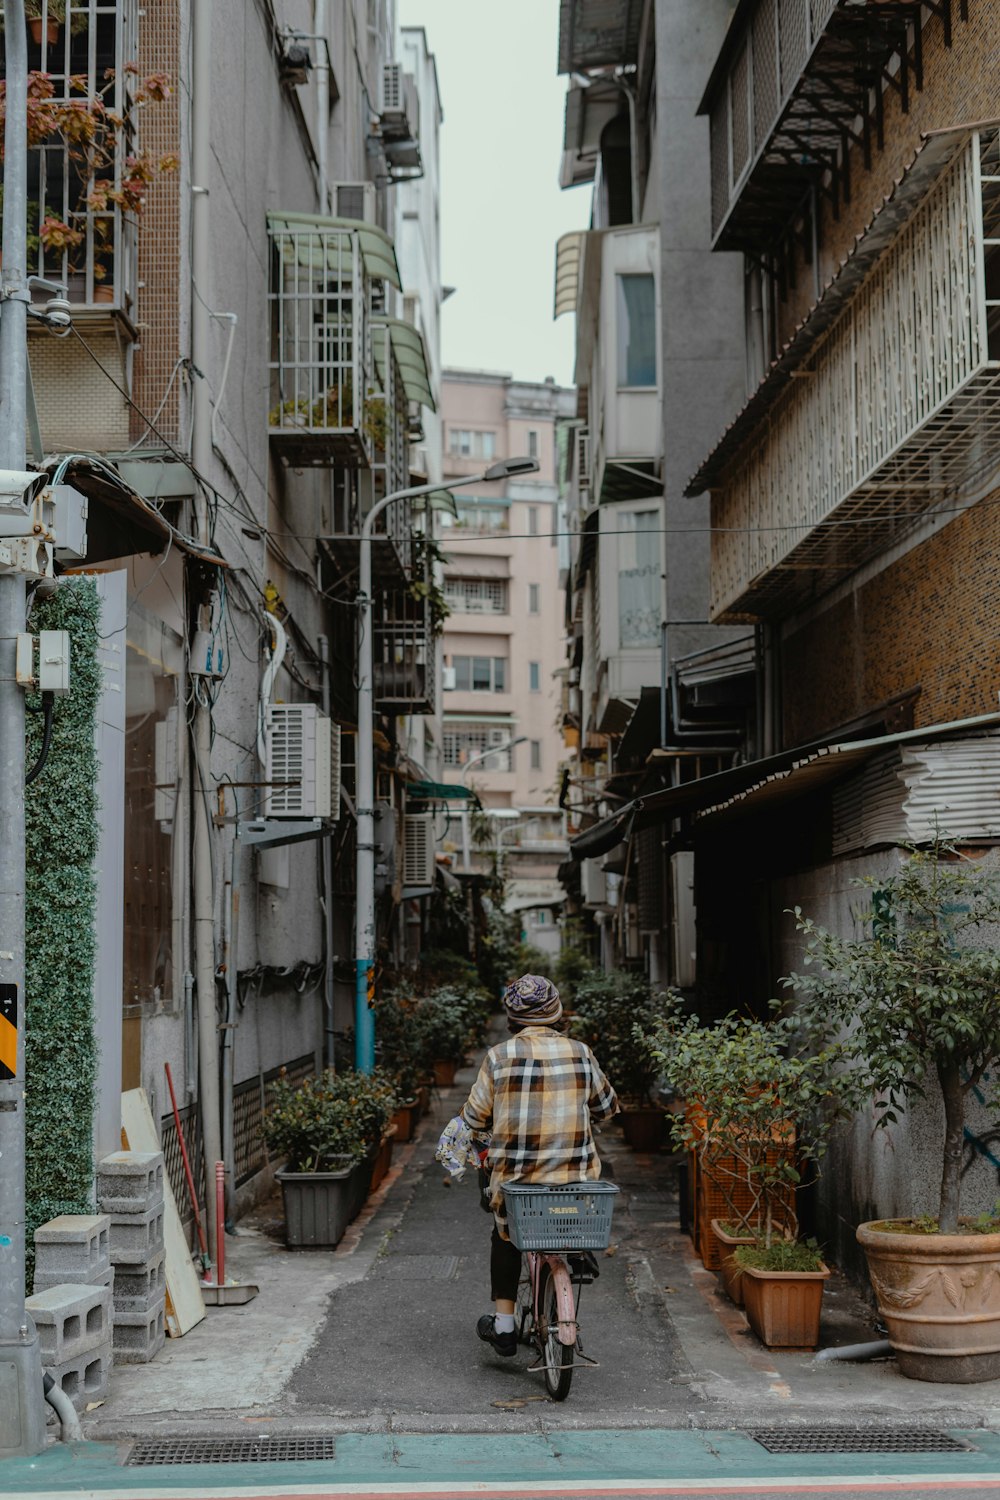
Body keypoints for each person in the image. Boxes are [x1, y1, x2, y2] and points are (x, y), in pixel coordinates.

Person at [459, 972, 619, 1357]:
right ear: (558, 1013)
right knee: (580, 1194)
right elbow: (608, 1108)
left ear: (513, 1018)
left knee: (505, 1233)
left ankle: (504, 1326)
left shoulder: (498, 1057)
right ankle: (578, 1253)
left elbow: (474, 1116)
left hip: (518, 1184)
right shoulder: (581, 1052)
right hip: (575, 1182)